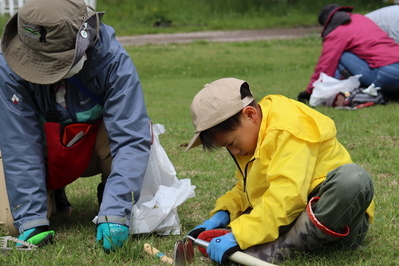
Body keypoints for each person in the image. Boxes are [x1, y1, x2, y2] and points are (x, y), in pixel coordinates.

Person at [0, 0, 151, 252]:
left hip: (91, 146)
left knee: (135, 137)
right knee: (11, 222)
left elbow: (130, 136)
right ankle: (50, 196)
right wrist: (30, 219)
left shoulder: (112, 59)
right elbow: (19, 143)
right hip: (43, 151)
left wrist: (116, 210)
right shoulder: (8, 67)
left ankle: (109, 200)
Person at [186, 78, 374, 264]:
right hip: (294, 214)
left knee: (353, 179)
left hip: (338, 219)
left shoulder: (289, 126)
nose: (234, 152)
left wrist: (238, 235)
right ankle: (265, 238)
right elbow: (248, 187)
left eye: (231, 144)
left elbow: (287, 197)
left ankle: (281, 247)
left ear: (250, 114)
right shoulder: (252, 134)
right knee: (264, 213)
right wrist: (224, 213)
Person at [297, 3, 399, 103]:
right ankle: (391, 91)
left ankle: (343, 90)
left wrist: (310, 91)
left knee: (340, 56)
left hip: (387, 74)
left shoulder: (336, 33)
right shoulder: (360, 19)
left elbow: (326, 65)